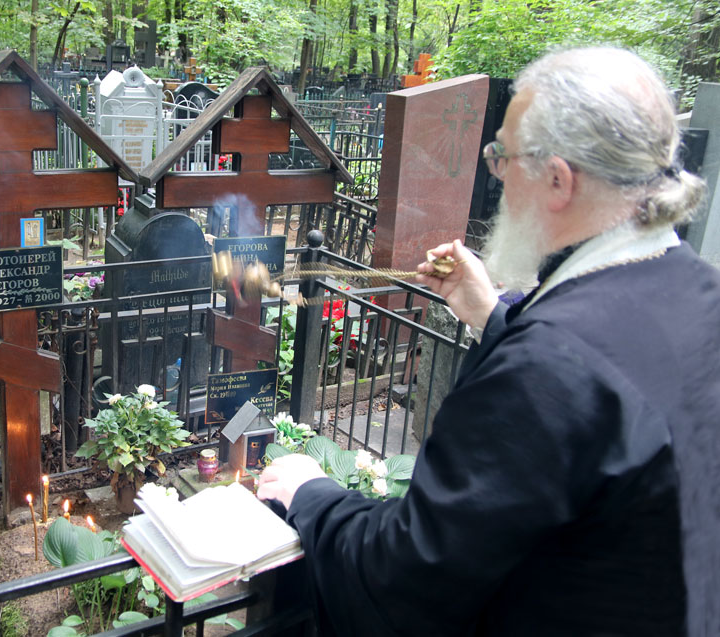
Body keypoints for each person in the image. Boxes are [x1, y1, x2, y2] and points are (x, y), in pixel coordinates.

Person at [258, 47, 720, 636]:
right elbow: (613, 373)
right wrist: (490, 315)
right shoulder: (701, 290)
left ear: (558, 179)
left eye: (502, 156)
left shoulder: (549, 365)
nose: (496, 174)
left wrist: (311, 493)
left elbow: (408, 577)